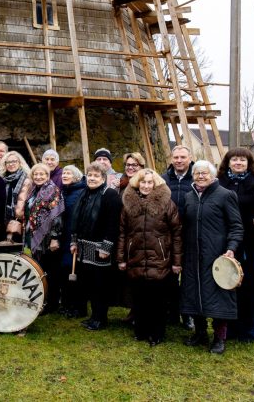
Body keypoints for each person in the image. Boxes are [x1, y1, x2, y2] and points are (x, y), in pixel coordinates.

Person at [180, 160, 243, 354]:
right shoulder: (188, 197)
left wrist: (231, 248)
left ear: (213, 176)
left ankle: (219, 337)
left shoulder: (225, 195)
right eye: (197, 173)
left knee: (218, 296)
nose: (200, 176)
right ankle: (200, 332)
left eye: (204, 173)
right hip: (192, 255)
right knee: (193, 293)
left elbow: (236, 226)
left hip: (216, 255)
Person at [216, 147, 254, 342]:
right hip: (225, 241)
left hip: (251, 242)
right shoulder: (219, 183)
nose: (238, 163)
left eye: (242, 160)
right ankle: (229, 328)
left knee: (249, 286)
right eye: (234, 160)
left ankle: (248, 331)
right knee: (227, 283)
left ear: (249, 163)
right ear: (228, 162)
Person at [117, 168, 182, 346]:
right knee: (139, 297)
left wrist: (176, 262)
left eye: (149, 182)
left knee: (158, 300)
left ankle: (157, 333)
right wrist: (121, 258)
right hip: (136, 259)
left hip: (159, 260)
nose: (146, 186)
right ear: (138, 184)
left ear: (155, 184)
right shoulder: (128, 205)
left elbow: (176, 234)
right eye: (143, 182)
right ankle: (141, 330)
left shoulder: (167, 204)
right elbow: (123, 233)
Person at [70, 162, 122, 331]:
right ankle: (94, 316)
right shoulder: (84, 194)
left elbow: (113, 224)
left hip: (100, 248)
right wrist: (74, 241)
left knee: (101, 285)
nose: (92, 178)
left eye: (96, 176)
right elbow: (77, 220)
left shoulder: (111, 195)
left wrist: (106, 247)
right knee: (89, 284)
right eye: (90, 175)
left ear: (103, 178)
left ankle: (100, 318)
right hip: (83, 247)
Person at [24, 164, 65, 314]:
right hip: (34, 237)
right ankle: (41, 300)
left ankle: (51, 303)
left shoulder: (53, 190)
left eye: (42, 174)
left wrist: (55, 237)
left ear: (47, 176)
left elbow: (57, 215)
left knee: (50, 272)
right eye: (36, 174)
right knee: (39, 270)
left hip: (48, 239)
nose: (39, 177)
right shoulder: (34, 190)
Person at [163, 145, 196, 331]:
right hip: (168, 235)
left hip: (191, 234)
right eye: (176, 157)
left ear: (189, 158)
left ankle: (188, 315)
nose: (179, 160)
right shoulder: (164, 179)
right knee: (170, 277)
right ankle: (172, 312)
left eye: (183, 157)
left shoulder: (197, 177)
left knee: (189, 278)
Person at [60, 165, 87, 318]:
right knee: (66, 271)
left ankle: (79, 307)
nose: (65, 175)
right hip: (64, 237)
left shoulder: (80, 193)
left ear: (76, 176)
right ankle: (68, 304)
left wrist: (75, 238)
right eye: (64, 172)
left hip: (74, 237)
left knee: (76, 272)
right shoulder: (65, 191)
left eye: (68, 173)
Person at [0, 151, 32, 242]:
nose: (11, 164)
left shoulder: (27, 179)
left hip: (22, 221)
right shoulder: (3, 180)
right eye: (8, 162)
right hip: (5, 220)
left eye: (14, 161)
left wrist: (18, 217)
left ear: (20, 163)